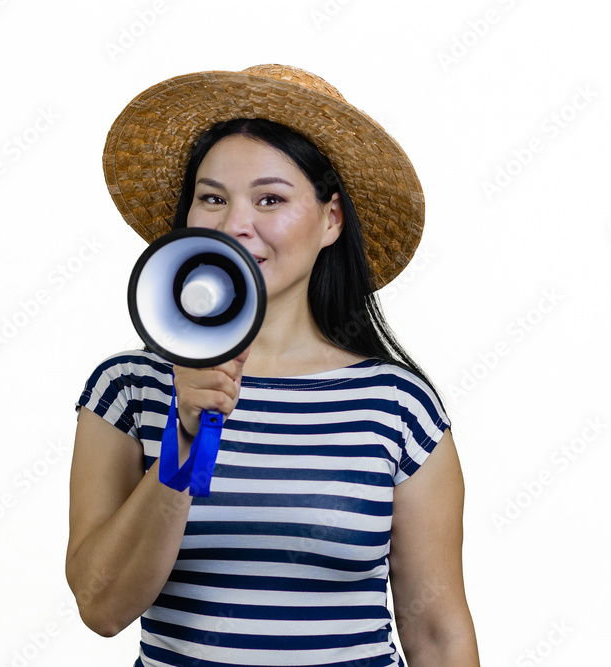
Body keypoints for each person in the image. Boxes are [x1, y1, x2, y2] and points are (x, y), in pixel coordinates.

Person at [65, 64, 479, 666]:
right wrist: (184, 438)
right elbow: (101, 608)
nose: (236, 225)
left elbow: (437, 632)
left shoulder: (397, 405)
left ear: (331, 219)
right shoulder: (127, 390)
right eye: (213, 198)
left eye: (270, 199)